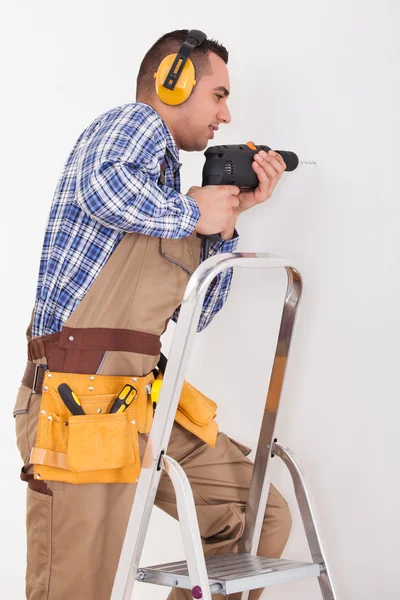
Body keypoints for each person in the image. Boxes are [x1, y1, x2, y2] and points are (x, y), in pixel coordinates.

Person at [13, 29, 291, 600]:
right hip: (78, 406)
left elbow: (201, 310)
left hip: (142, 402)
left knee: (256, 514)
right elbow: (102, 190)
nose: (226, 113)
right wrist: (191, 212)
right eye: (218, 95)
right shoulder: (134, 126)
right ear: (173, 80)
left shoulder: (167, 195)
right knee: (78, 588)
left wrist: (227, 220)